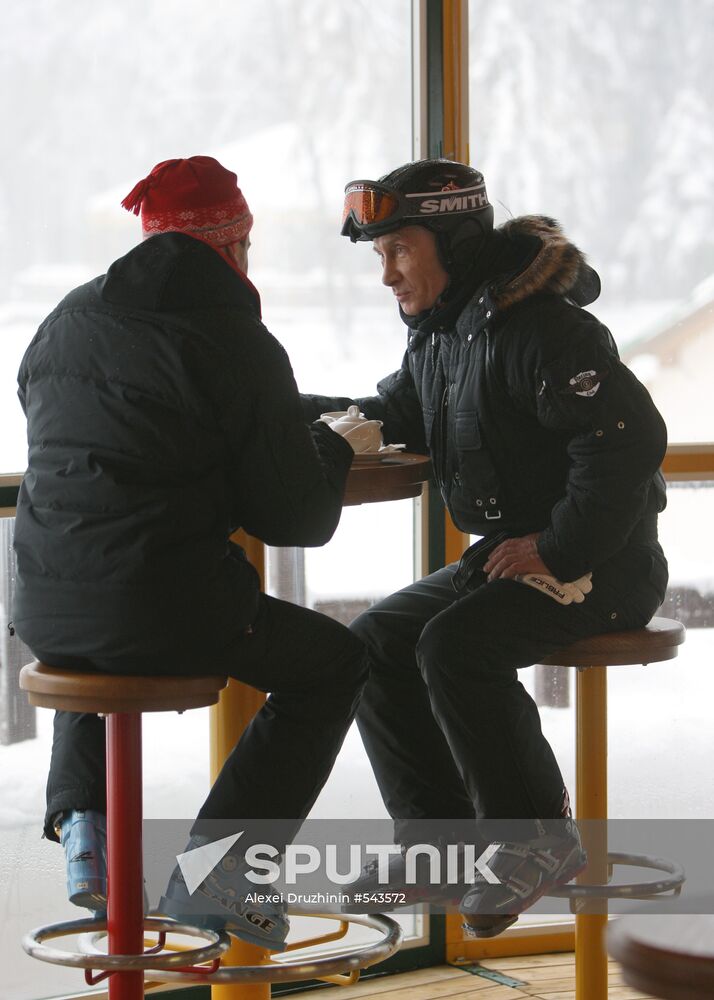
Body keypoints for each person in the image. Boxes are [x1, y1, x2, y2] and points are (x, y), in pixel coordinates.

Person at [301, 158, 668, 935]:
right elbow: (391, 413)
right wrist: (275, 414)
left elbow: (628, 439)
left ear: (454, 240)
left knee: (455, 646)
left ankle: (538, 839)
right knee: (377, 641)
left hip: (603, 564)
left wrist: (559, 546)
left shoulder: (541, 328)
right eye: (380, 257)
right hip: (517, 557)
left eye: (399, 250)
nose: (387, 276)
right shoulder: (446, 335)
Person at [13, 155, 368, 950]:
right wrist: (330, 449)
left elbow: (120, 430)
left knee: (100, 618)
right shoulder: (234, 337)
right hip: (165, 604)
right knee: (333, 664)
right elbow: (295, 517)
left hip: (41, 602)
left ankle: (86, 829)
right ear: (233, 245)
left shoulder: (66, 319)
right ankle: (224, 879)